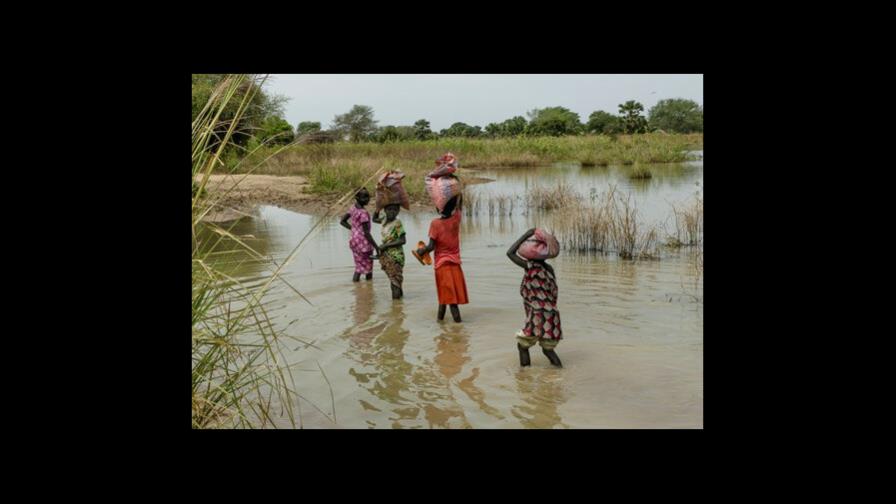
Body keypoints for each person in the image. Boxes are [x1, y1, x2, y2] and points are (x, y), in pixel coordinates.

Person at [506, 228, 563, 367]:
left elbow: (510, 253)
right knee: (547, 350)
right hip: (552, 314)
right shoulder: (549, 269)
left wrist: (526, 234)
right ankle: (559, 372)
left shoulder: (530, 266)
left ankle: (525, 376)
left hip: (537, 313)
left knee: (522, 346)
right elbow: (554, 293)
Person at [416, 194, 468, 322]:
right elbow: (459, 205)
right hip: (455, 265)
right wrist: (457, 193)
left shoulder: (435, 224)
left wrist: (421, 251)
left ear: (438, 208)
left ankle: (456, 328)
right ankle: (442, 323)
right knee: (444, 299)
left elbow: (431, 246)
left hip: (442, 267)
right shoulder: (456, 218)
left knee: (450, 301)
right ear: (452, 207)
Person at [340, 188, 379, 282]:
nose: (367, 199)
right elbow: (366, 233)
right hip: (363, 243)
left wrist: (354, 229)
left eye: (368, 197)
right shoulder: (363, 213)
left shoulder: (353, 208)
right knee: (368, 267)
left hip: (354, 241)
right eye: (364, 197)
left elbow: (342, 221)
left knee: (359, 266)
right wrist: (376, 247)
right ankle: (369, 286)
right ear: (357, 198)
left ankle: (357, 286)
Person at [372, 203, 406, 299]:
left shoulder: (397, 223)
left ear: (398, 211)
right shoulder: (384, 219)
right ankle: (399, 303)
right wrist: (378, 208)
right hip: (387, 255)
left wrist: (385, 245)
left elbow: (402, 240)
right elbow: (374, 219)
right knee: (395, 281)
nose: (392, 212)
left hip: (396, 256)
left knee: (395, 282)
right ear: (385, 210)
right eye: (389, 209)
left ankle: (396, 305)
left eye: (395, 210)